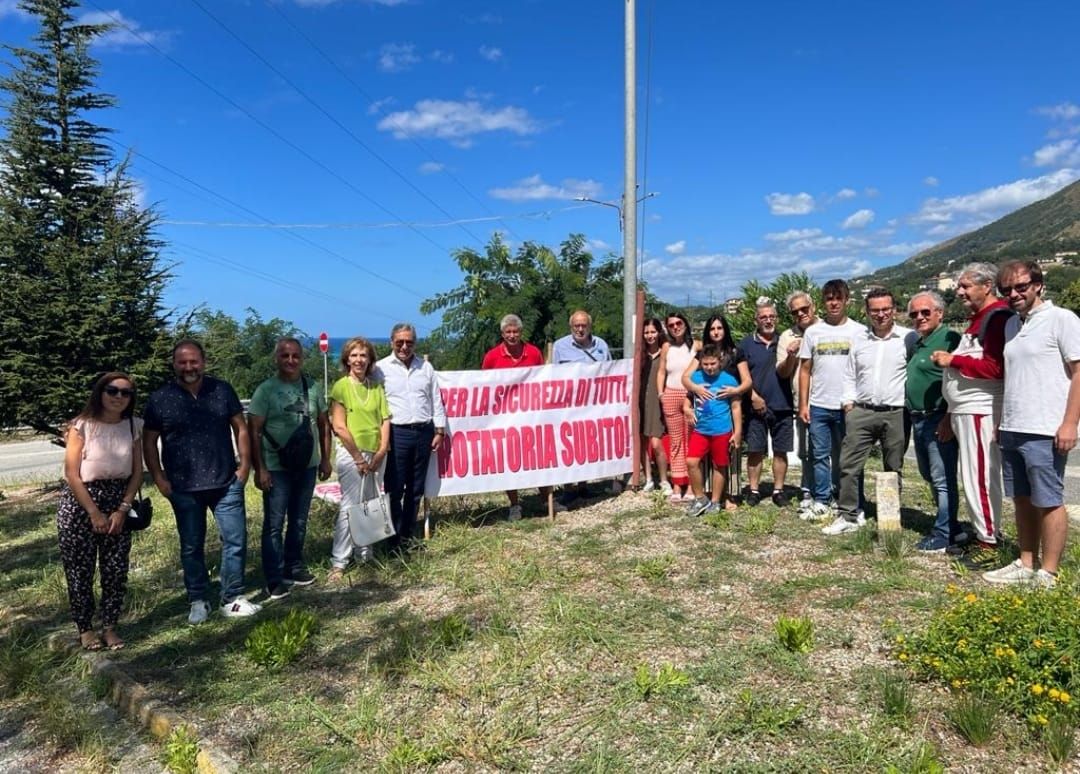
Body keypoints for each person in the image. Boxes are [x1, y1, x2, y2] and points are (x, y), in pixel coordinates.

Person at [143, 340, 261, 624]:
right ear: (174, 364)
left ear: (203, 362)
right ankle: (198, 600)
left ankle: (232, 597)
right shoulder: (160, 398)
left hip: (225, 483)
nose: (188, 367)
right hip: (183, 488)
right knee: (191, 546)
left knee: (235, 541)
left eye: (193, 361)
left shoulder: (221, 390)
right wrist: (159, 478)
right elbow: (148, 441)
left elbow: (240, 428)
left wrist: (244, 467)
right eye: (182, 362)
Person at [982, 261, 1080, 587]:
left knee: (1048, 499)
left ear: (1038, 284)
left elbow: (1078, 372)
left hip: (1045, 427)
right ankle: (1026, 561)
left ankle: (1048, 573)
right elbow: (1014, 376)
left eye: (1021, 287)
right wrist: (1002, 421)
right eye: (1007, 290)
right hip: (1013, 425)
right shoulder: (1012, 325)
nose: (1014, 294)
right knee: (1021, 498)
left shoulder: (1062, 320)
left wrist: (1069, 424)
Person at [931, 262, 1014, 560]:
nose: (960, 291)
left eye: (966, 285)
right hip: (966, 410)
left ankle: (989, 543)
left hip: (981, 409)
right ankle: (984, 532)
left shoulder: (997, 318)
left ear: (986, 285)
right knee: (974, 475)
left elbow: (995, 367)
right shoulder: (980, 319)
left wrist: (952, 360)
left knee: (979, 476)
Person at [58, 373, 143, 650]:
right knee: (80, 570)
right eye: (112, 390)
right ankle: (85, 629)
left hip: (118, 500)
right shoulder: (80, 426)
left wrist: (122, 509)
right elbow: (71, 474)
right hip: (81, 503)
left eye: (126, 393)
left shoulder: (133, 426)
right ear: (100, 392)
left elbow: (137, 473)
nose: (119, 397)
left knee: (115, 570)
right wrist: (94, 512)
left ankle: (109, 626)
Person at [822, 288, 911, 536]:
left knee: (893, 467)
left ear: (894, 309)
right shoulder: (860, 339)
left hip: (895, 412)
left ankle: (890, 519)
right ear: (867, 311)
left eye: (885, 309)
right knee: (848, 464)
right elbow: (850, 374)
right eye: (875, 310)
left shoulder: (908, 338)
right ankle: (848, 515)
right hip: (861, 410)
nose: (881, 314)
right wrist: (848, 405)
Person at [248, 338, 332, 598]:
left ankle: (293, 566)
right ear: (277, 358)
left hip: (307, 466)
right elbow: (254, 431)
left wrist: (326, 458)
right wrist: (259, 468)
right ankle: (274, 577)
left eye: (295, 356)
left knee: (298, 520)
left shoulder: (314, 387)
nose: (290, 360)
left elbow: (324, 425)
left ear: (302, 359)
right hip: (276, 468)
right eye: (285, 356)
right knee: (274, 524)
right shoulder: (266, 391)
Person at [797, 279, 866, 521]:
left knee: (849, 458)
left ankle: (853, 501)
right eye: (829, 298)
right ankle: (822, 499)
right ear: (822, 303)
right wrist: (803, 405)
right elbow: (805, 369)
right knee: (819, 455)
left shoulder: (859, 331)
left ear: (847, 300)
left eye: (838, 298)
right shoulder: (813, 332)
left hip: (849, 406)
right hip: (819, 405)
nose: (834, 303)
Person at [376, 323, 447, 551]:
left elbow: (436, 399)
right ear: (391, 342)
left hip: (423, 432)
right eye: (400, 342)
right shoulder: (380, 369)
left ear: (415, 343)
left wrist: (439, 430)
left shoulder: (425, 367)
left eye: (409, 342)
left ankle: (407, 537)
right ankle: (393, 540)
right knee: (394, 489)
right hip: (396, 434)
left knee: (415, 490)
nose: (404, 346)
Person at [328, 337, 391, 580]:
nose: (358, 360)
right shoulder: (341, 386)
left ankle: (365, 553)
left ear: (370, 359)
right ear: (346, 359)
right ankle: (339, 561)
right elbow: (340, 426)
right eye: (354, 355)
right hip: (352, 453)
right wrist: (358, 458)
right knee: (350, 505)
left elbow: (385, 419)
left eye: (363, 355)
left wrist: (382, 450)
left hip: (376, 453)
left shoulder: (376, 387)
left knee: (370, 503)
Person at [481, 314, 554, 520]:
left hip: (532, 417)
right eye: (508, 332)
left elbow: (543, 380)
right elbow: (481, 385)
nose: (512, 335)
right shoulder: (492, 357)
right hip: (505, 419)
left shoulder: (533, 352)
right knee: (509, 461)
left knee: (540, 458)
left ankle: (545, 499)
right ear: (502, 334)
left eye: (515, 331)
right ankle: (514, 505)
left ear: (521, 332)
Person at [905, 292, 962, 553]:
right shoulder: (919, 343)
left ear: (940, 313)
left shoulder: (950, 339)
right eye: (914, 314)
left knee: (942, 477)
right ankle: (953, 525)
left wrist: (949, 418)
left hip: (938, 417)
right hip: (918, 417)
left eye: (925, 312)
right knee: (928, 474)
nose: (919, 317)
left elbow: (960, 383)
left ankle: (944, 533)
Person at [552, 310, 612, 506]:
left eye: (583, 325)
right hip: (569, 405)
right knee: (569, 444)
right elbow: (553, 376)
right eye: (576, 326)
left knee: (588, 443)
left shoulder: (601, 345)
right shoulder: (560, 347)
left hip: (594, 404)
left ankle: (583, 485)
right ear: (571, 327)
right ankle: (568, 488)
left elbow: (611, 372)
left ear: (589, 326)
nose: (580, 329)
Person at [738, 299, 794, 506]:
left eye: (771, 316)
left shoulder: (785, 341)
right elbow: (741, 376)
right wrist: (753, 397)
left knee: (781, 451)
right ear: (756, 320)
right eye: (763, 317)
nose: (768, 320)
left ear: (777, 318)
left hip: (783, 404)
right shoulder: (746, 344)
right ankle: (754, 490)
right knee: (755, 450)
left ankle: (778, 491)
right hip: (755, 406)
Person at [683, 345, 743, 515]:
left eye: (713, 364)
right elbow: (687, 398)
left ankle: (715, 501)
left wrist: (737, 432)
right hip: (700, 430)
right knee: (691, 462)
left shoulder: (729, 380)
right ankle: (700, 498)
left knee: (720, 465)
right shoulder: (695, 378)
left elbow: (736, 407)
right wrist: (687, 409)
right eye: (705, 364)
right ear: (700, 363)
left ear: (720, 362)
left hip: (721, 430)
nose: (709, 368)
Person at [776, 291, 819, 509]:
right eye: (795, 312)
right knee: (806, 452)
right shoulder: (787, 336)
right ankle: (808, 491)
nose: (800, 314)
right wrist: (792, 355)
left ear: (813, 307)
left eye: (804, 309)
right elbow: (783, 373)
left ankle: (832, 492)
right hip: (801, 403)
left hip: (829, 401)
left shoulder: (827, 330)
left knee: (834, 451)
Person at [657, 311, 696, 501]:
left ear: (685, 324)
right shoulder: (666, 346)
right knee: (675, 441)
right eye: (671, 325)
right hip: (671, 393)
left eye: (678, 323)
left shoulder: (696, 345)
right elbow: (661, 371)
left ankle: (691, 484)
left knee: (691, 439)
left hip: (690, 395)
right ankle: (677, 484)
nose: (675, 327)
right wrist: (661, 394)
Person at [638, 318, 670, 494]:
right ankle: (648, 478)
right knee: (642, 441)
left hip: (657, 402)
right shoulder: (640, 355)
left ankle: (664, 480)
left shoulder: (665, 353)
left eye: (652, 332)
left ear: (659, 333)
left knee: (657, 443)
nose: (650, 336)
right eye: (646, 332)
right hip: (641, 401)